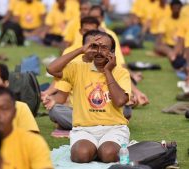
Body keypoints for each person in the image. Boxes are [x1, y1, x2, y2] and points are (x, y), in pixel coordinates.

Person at [46, 30, 131, 163]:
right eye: (94, 47)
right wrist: (80, 50)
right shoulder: (78, 68)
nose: (99, 51)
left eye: (104, 48)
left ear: (112, 53)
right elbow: (51, 69)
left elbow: (120, 101)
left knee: (108, 154)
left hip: (114, 128)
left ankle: (102, 150)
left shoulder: (120, 72)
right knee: (81, 155)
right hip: (84, 129)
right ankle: (95, 150)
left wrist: (107, 71)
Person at [155, 0, 186, 70]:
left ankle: (179, 62)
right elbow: (160, 37)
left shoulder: (185, 20)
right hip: (169, 45)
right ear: (171, 8)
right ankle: (176, 61)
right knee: (165, 48)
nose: (177, 10)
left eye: (178, 8)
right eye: (175, 8)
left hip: (181, 45)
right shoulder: (165, 20)